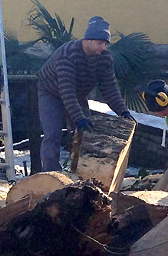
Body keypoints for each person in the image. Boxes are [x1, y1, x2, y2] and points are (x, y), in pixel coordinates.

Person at [36, 16, 135, 172]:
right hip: (51, 91)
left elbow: (110, 89)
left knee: (87, 134)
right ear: (87, 40)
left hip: (79, 93)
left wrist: (123, 112)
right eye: (100, 43)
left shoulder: (104, 59)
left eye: (105, 44)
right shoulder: (68, 54)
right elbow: (66, 91)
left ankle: (81, 172)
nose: (103, 47)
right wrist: (79, 119)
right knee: (52, 134)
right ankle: (50, 172)